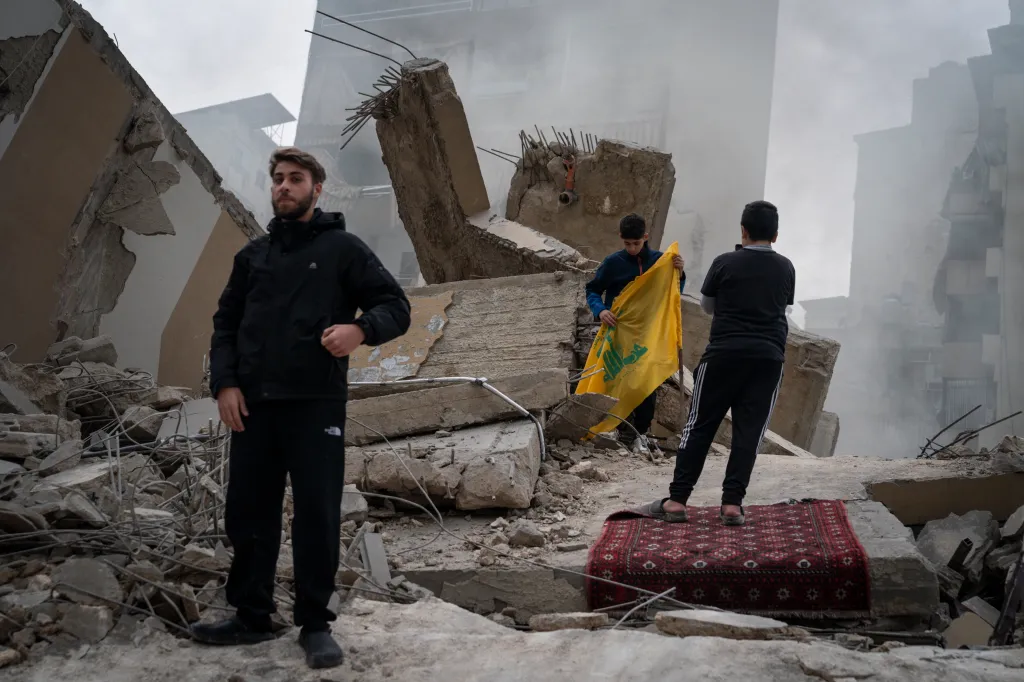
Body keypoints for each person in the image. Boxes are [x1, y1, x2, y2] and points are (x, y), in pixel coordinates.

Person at [191, 147, 411, 670]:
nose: (284, 187)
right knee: (248, 511)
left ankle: (315, 624)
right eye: (278, 180)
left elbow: (395, 306)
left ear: (317, 189)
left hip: (316, 405)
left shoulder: (343, 250)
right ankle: (251, 616)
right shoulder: (253, 257)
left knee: (315, 513)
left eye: (296, 179)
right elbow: (225, 327)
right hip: (254, 407)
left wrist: (360, 329)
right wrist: (224, 384)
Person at [650, 200, 794, 527]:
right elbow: (780, 309)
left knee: (699, 426)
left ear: (743, 230)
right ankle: (732, 505)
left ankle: (676, 501)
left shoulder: (724, 262)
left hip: (723, 356)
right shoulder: (786, 267)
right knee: (749, 433)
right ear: (775, 234)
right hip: (767, 360)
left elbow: (707, 306)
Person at [585, 213, 685, 452]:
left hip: (648, 335)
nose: (631, 248)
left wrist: (679, 273)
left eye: (636, 243)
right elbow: (592, 290)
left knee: (645, 381)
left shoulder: (661, 262)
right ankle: (612, 426)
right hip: (618, 332)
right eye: (627, 243)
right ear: (621, 238)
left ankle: (641, 431)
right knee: (613, 377)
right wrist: (600, 311)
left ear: (645, 238)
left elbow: (673, 293)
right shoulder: (612, 262)